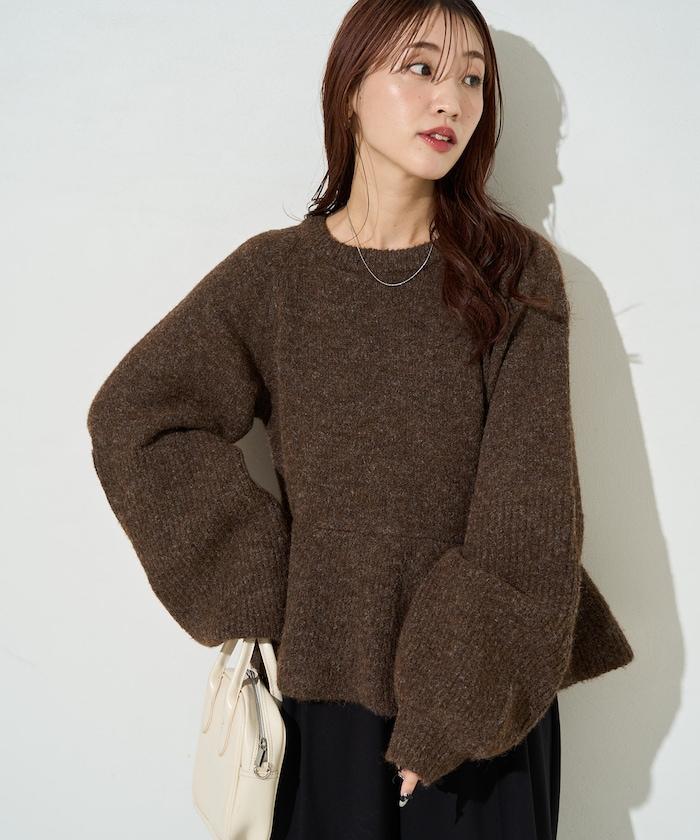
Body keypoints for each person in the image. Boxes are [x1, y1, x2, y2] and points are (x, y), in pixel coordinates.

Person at [86, 1, 635, 837]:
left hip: (480, 701)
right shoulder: (277, 277)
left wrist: (452, 705)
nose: (451, 99)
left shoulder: (513, 273)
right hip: (323, 699)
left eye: (473, 80)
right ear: (350, 90)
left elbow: (529, 521)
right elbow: (138, 418)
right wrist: (265, 584)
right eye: (420, 68)